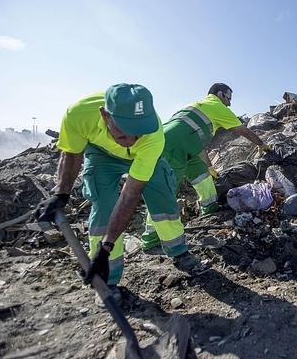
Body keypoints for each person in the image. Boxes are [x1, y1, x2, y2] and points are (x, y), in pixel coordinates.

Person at [36, 83, 182, 304]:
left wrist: (108, 246)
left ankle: (178, 250)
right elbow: (72, 153)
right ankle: (107, 278)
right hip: (101, 154)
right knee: (103, 204)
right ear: (105, 115)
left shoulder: (153, 135)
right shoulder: (78, 114)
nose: (131, 140)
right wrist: (62, 193)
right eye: (123, 134)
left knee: (162, 194)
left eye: (138, 133)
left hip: (142, 156)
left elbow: (130, 194)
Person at [141, 83, 270, 254]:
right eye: (228, 98)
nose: (230, 103)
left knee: (203, 178)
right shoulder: (216, 105)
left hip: (185, 147)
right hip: (170, 148)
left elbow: (197, 143)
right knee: (165, 194)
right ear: (220, 94)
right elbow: (242, 130)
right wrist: (261, 144)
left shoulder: (198, 108)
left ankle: (209, 211)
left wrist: (209, 167)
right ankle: (151, 240)